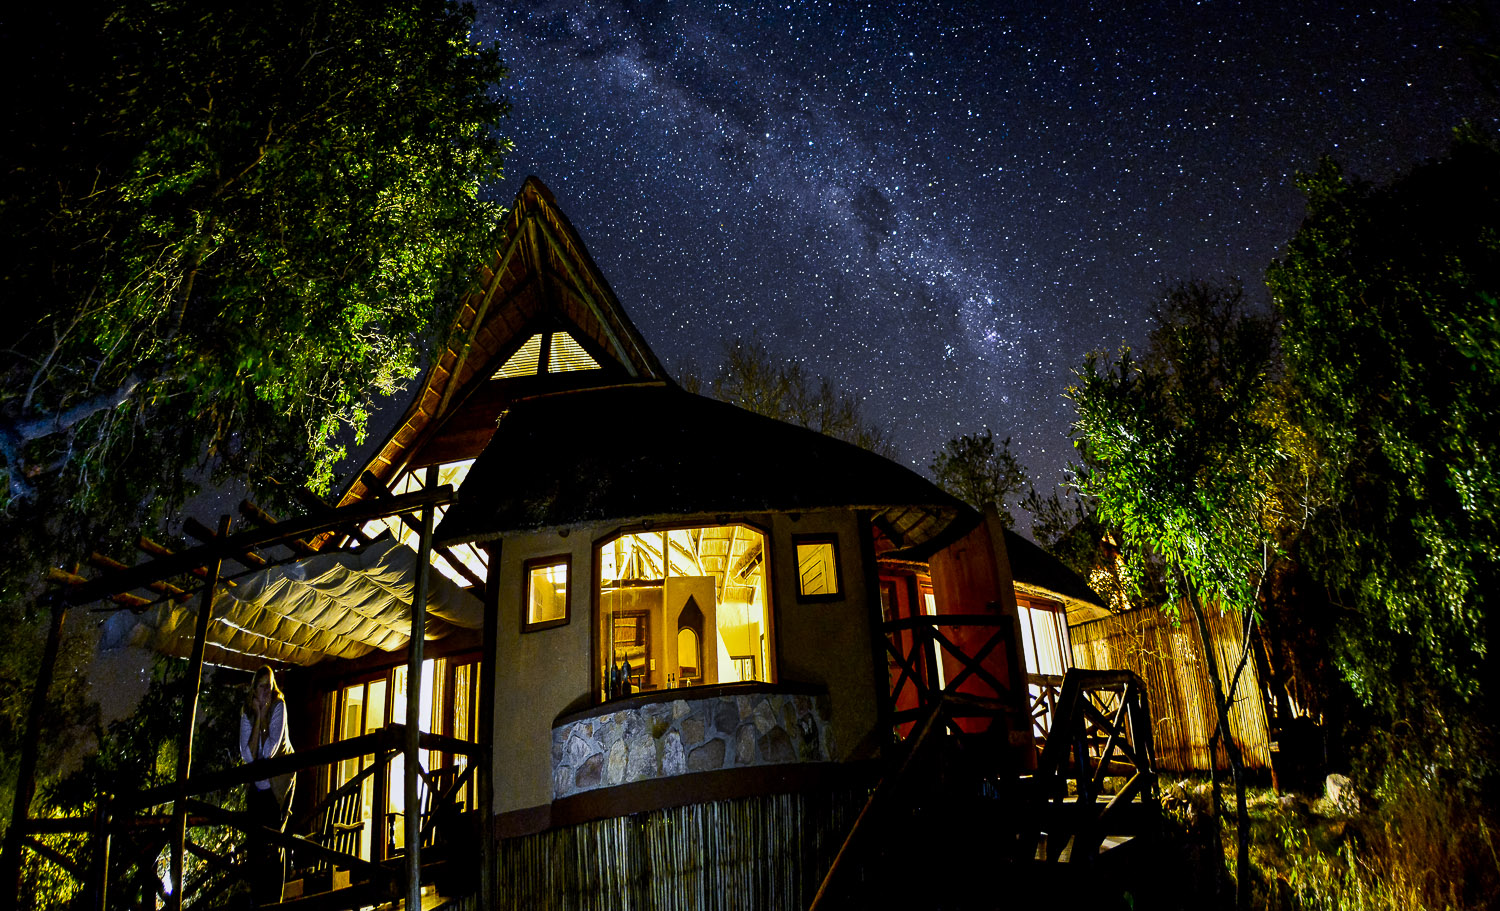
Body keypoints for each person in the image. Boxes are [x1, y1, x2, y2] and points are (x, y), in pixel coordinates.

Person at [239, 666, 295, 905]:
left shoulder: (279, 707)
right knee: (255, 843)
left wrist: (264, 716)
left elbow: (269, 751)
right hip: (258, 786)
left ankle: (274, 900)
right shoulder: (247, 712)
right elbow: (247, 755)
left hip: (278, 783)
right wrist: (258, 716)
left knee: (275, 841)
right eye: (261, 686)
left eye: (270, 686)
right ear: (254, 689)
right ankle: (257, 899)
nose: (266, 692)